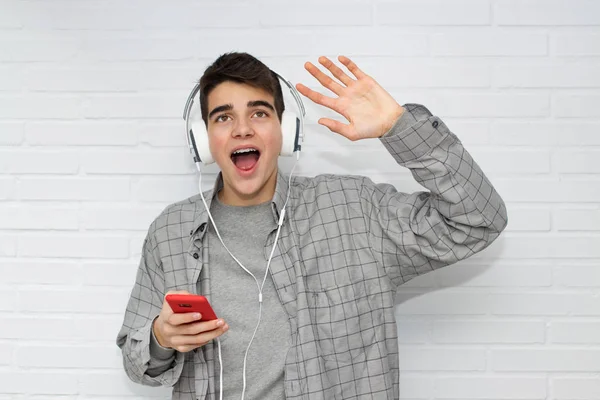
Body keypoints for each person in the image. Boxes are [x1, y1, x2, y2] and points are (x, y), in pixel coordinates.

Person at [116, 52, 508, 400]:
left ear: (285, 133)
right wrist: (161, 339)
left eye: (259, 112)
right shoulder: (170, 231)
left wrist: (398, 128)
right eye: (223, 117)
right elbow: (137, 362)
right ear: (204, 140)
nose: (242, 129)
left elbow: (478, 220)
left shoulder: (355, 211)